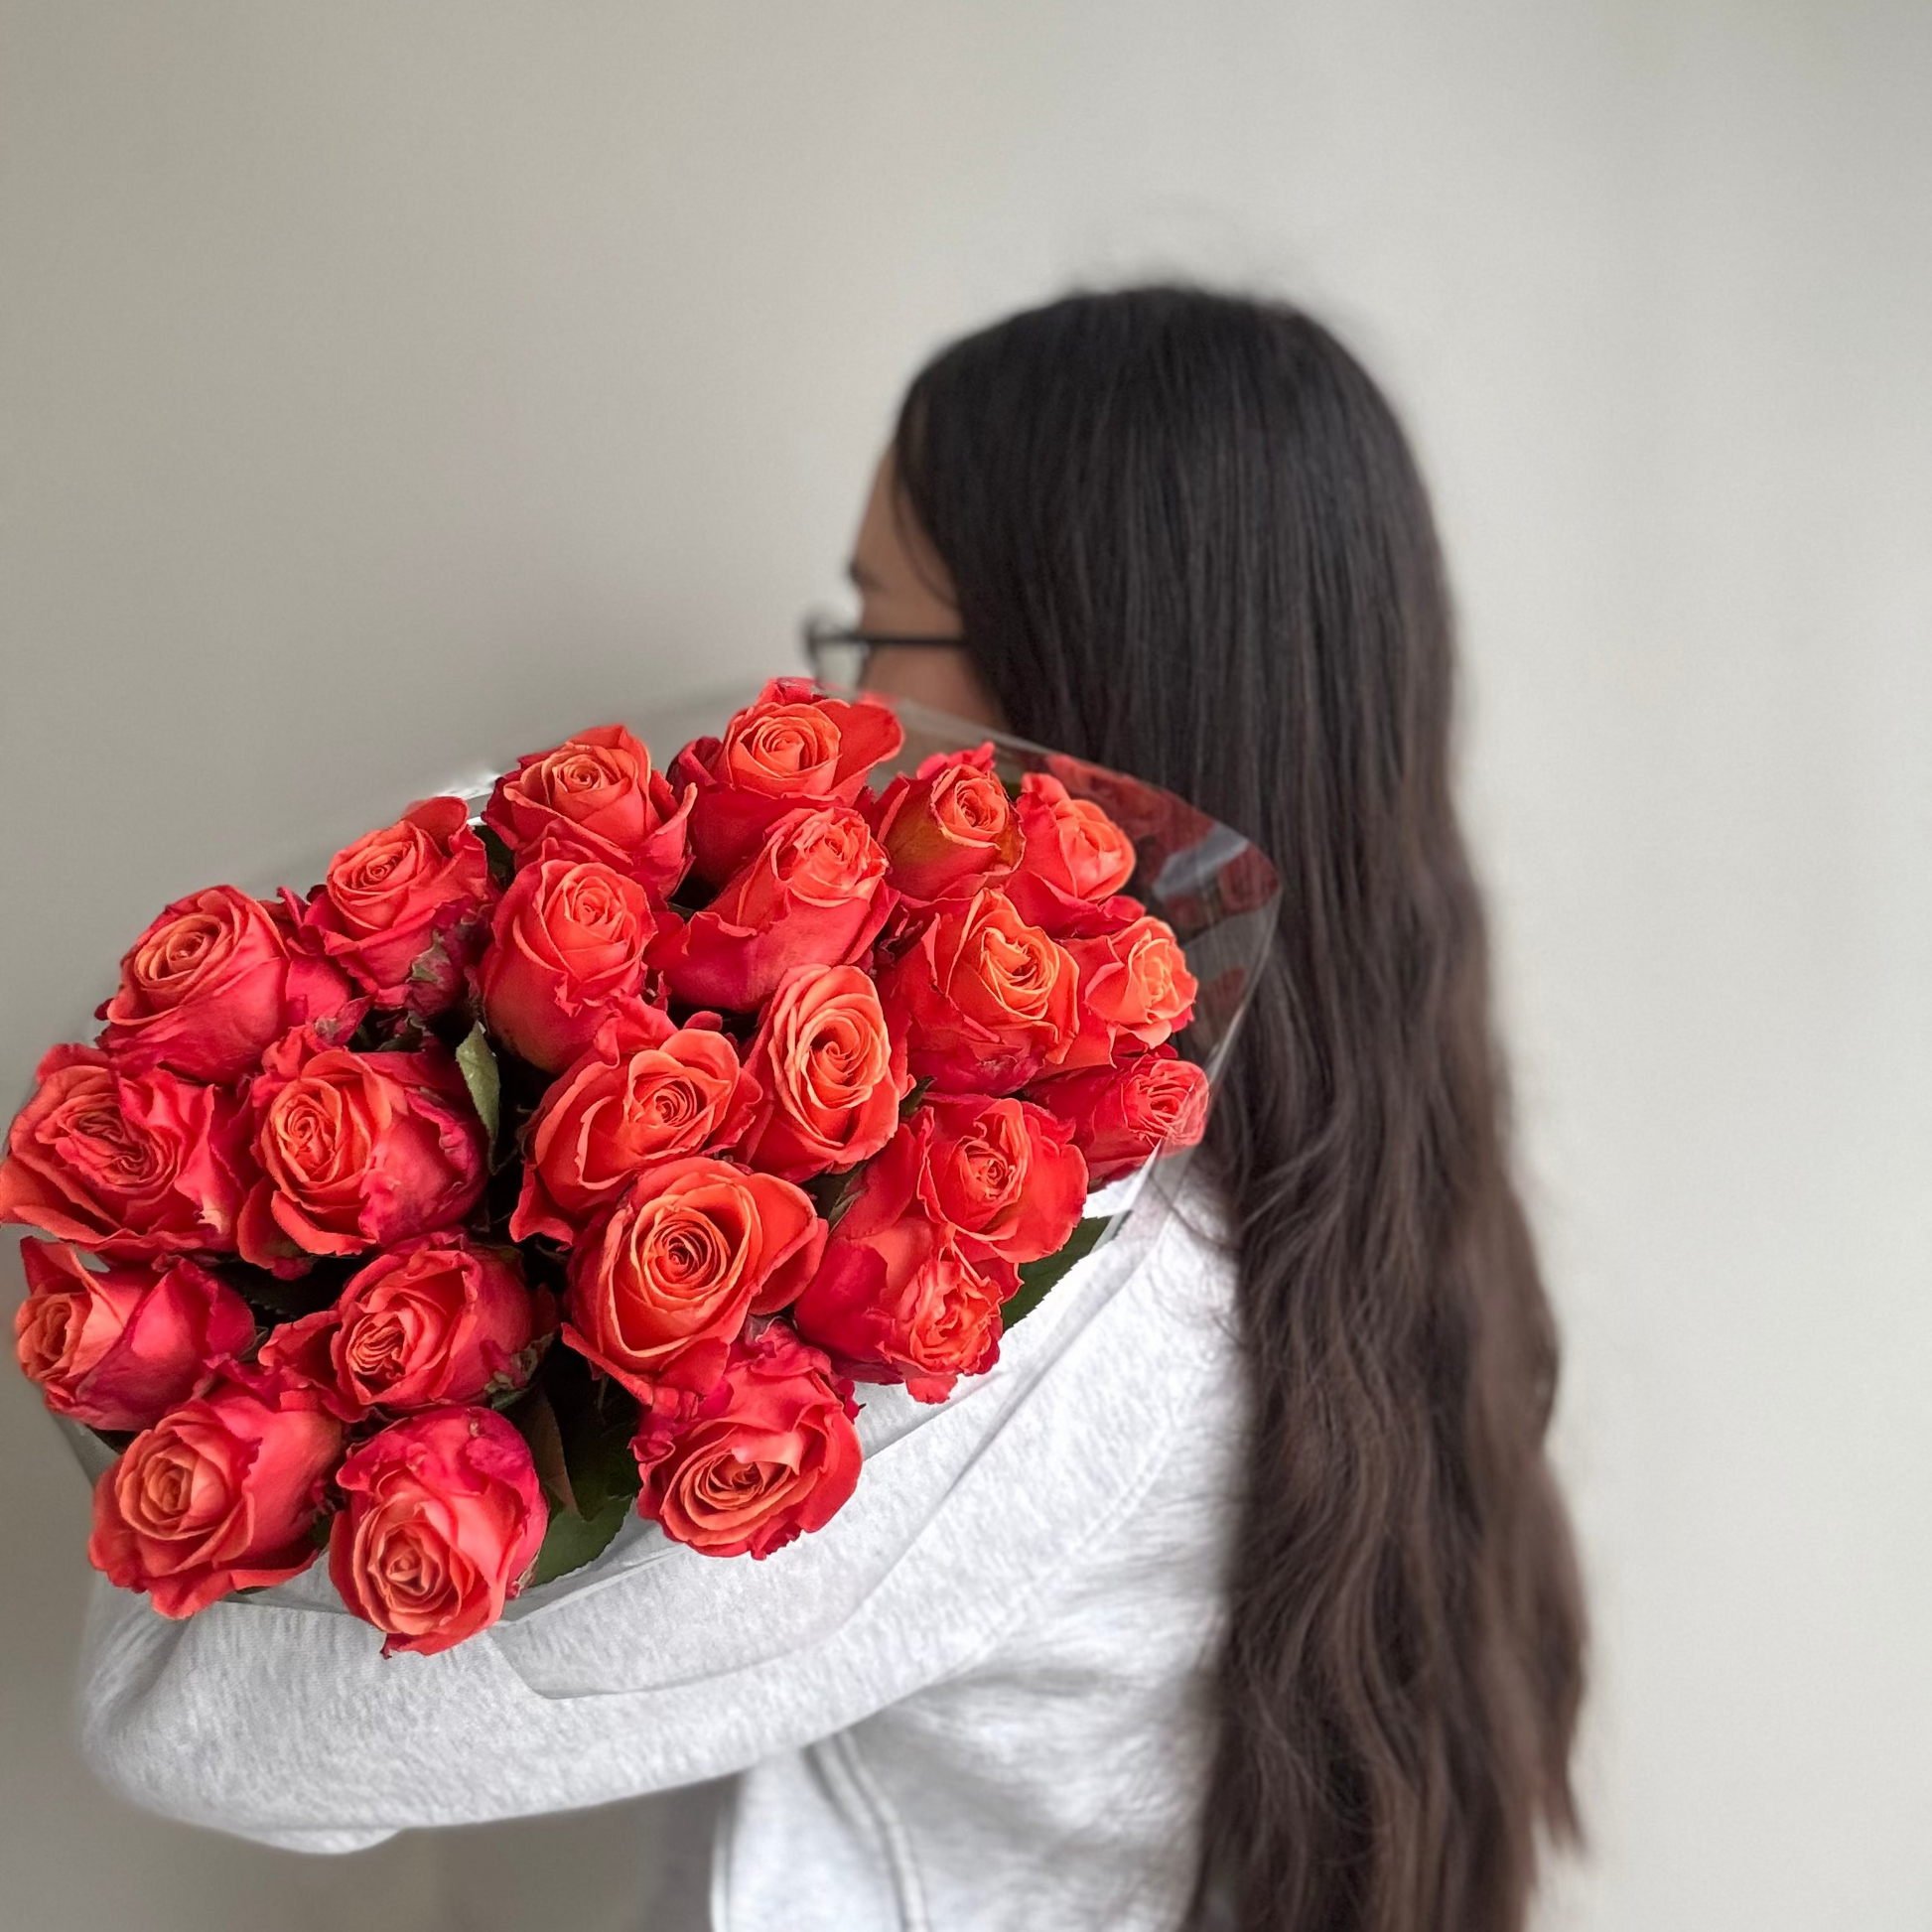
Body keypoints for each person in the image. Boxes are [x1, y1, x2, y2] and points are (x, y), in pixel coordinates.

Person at [77, 287, 1586, 1932]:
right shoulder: (1349, 1188)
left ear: (1061, 683)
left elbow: (210, 1733)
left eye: (873, 639)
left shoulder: (1070, 1308)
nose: (845, 719)